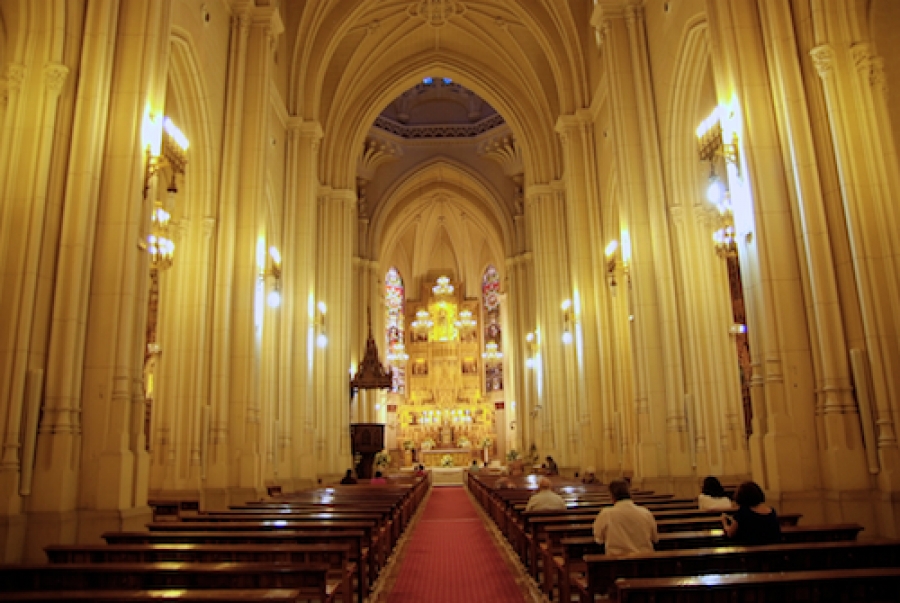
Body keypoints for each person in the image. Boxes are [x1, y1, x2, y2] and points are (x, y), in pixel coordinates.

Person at [592, 478, 658, 556]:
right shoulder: (645, 512)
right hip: (644, 562)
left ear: (612, 496)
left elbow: (599, 539)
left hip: (617, 562)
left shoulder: (606, 514)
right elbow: (655, 538)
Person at [722, 481, 781, 545]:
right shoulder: (772, 511)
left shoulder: (743, 512)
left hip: (752, 551)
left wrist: (725, 523)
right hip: (773, 551)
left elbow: (730, 534)